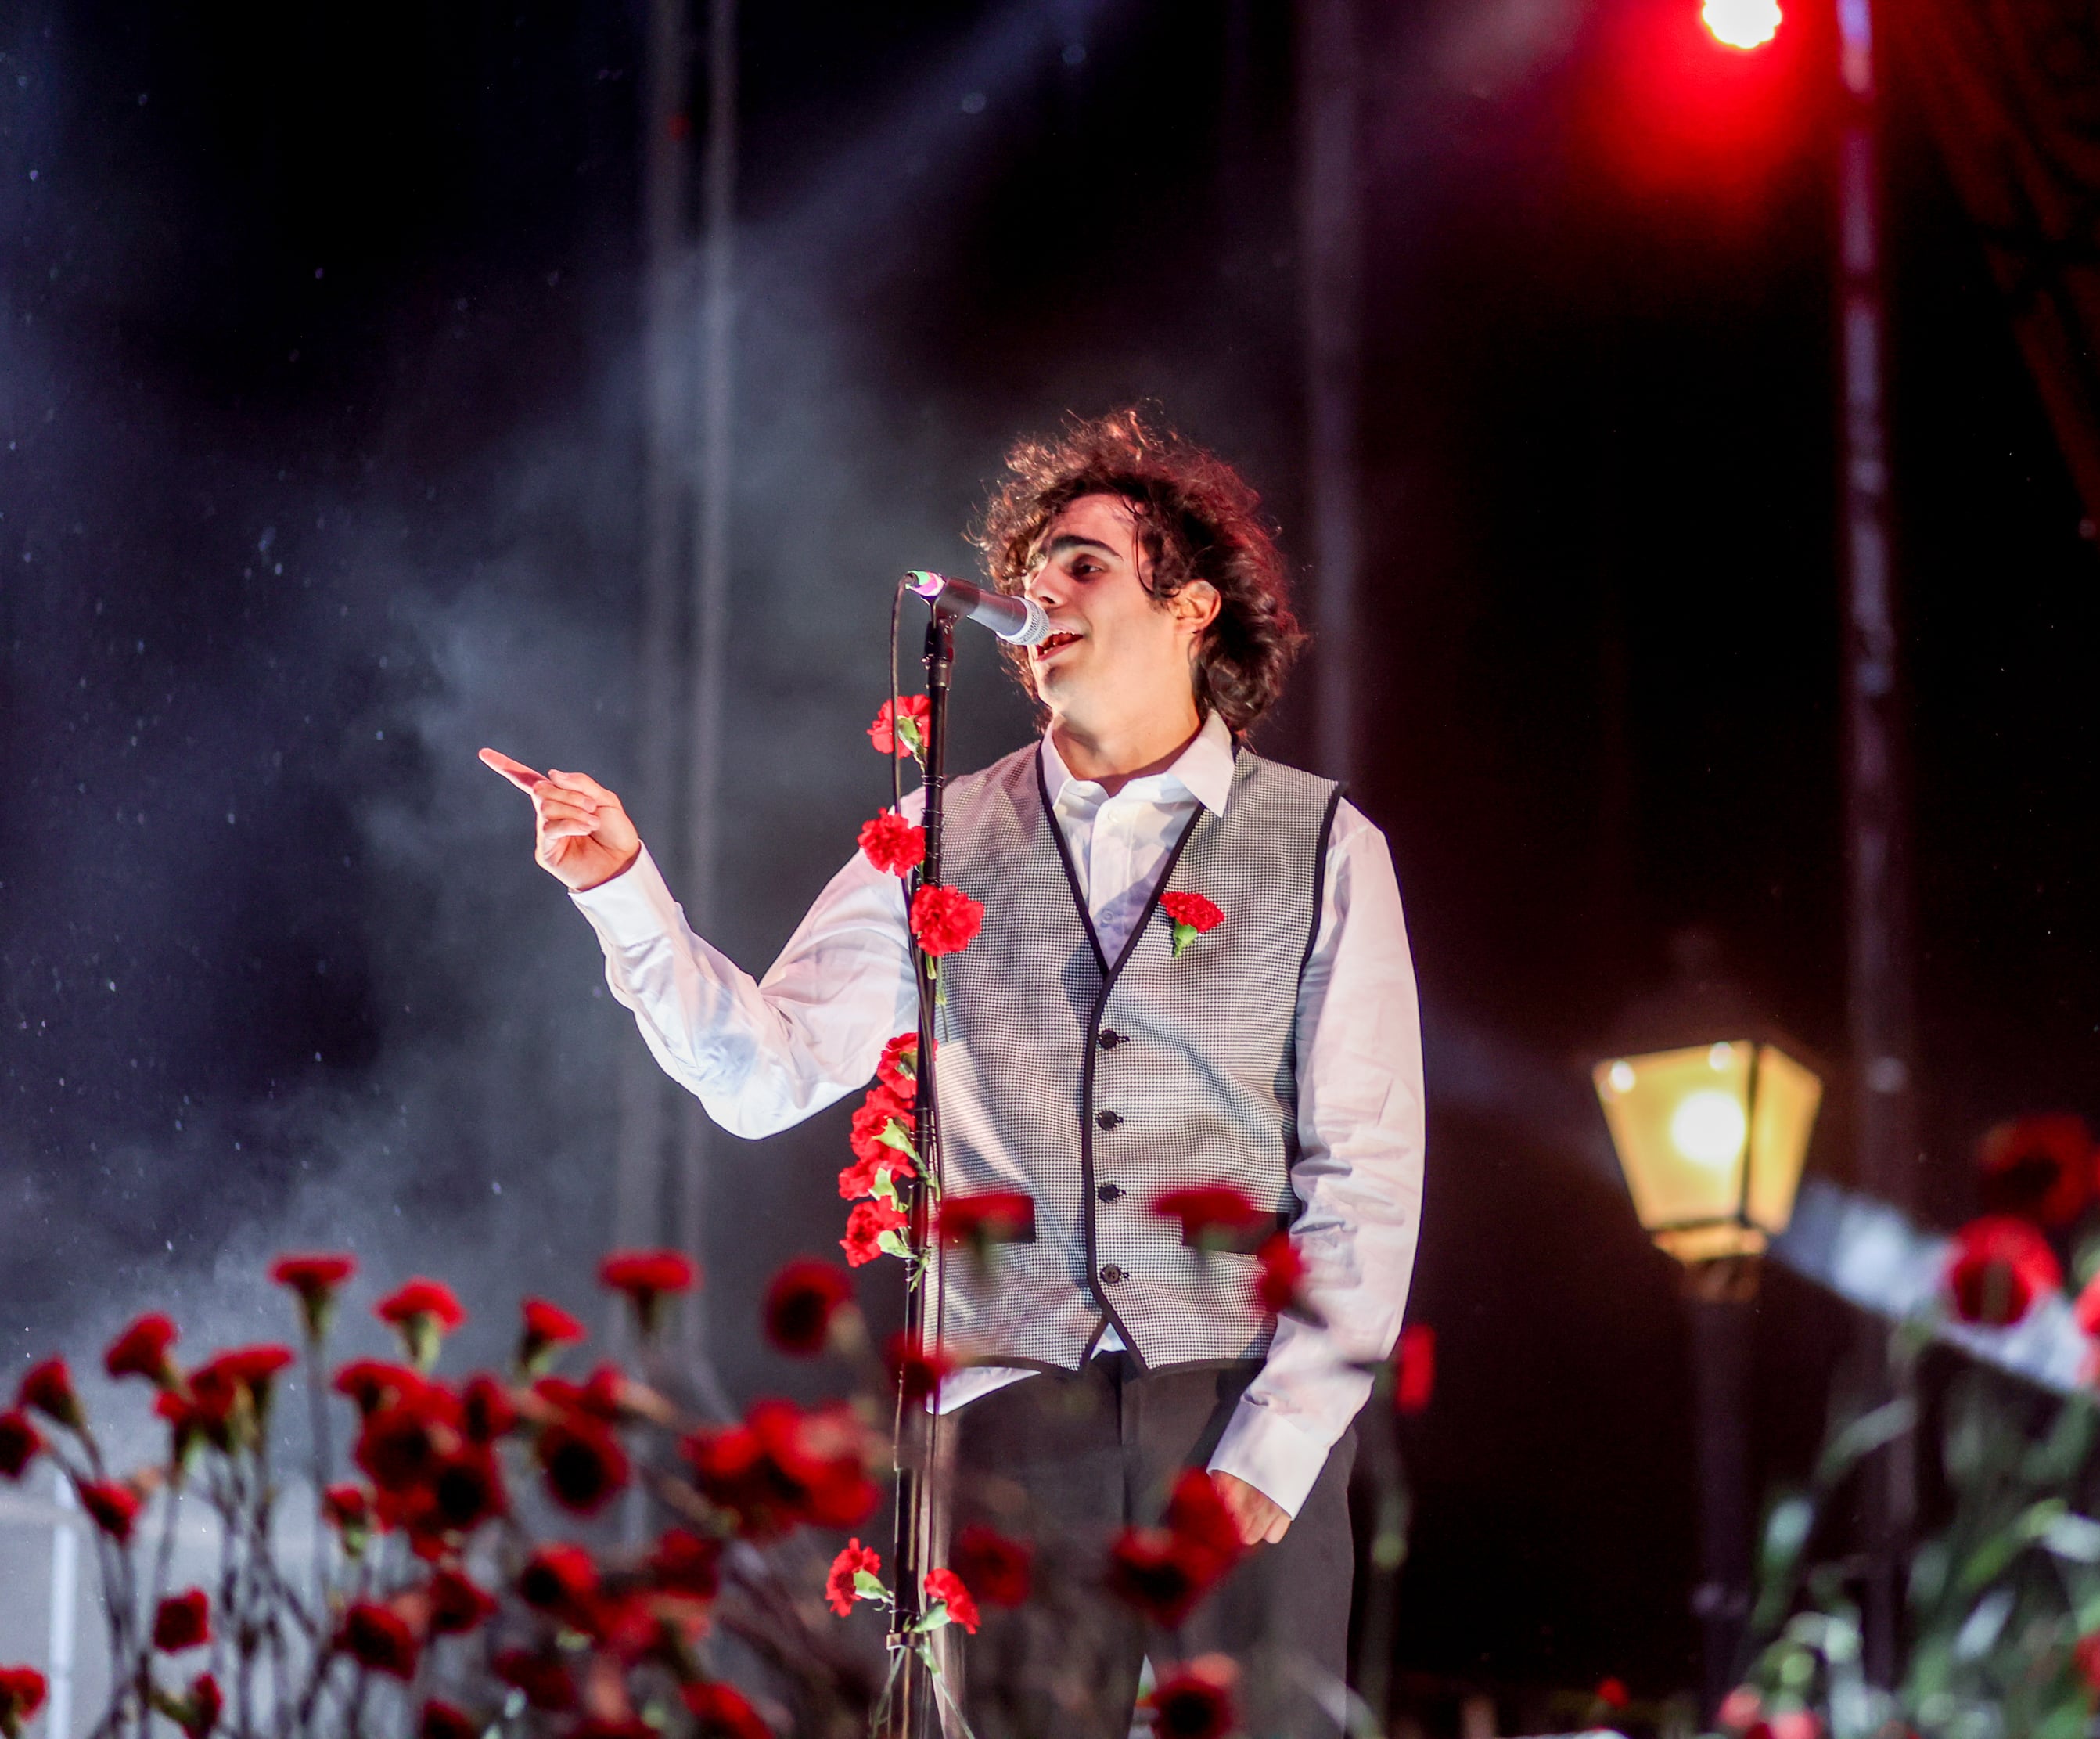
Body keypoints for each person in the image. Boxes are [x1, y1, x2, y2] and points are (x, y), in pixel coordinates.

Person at [481, 409, 1424, 1737]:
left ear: (1191, 605)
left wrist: (1277, 1440)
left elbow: (1365, 1169)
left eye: (1085, 565)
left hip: (1230, 1396)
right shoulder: (937, 832)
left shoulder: (1323, 843)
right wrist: (623, 897)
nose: (1043, 595)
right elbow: (766, 1073)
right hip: (1010, 1419)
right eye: (1032, 577)